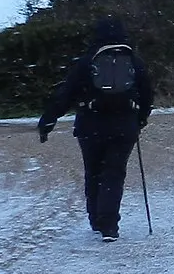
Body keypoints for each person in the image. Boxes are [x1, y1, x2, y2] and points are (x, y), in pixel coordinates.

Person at [37, 15, 154, 240]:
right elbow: (147, 93)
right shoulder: (134, 61)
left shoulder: (88, 61)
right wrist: (140, 118)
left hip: (90, 125)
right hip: (124, 126)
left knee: (93, 173)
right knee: (114, 173)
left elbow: (66, 93)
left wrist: (48, 121)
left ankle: (96, 221)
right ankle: (110, 225)